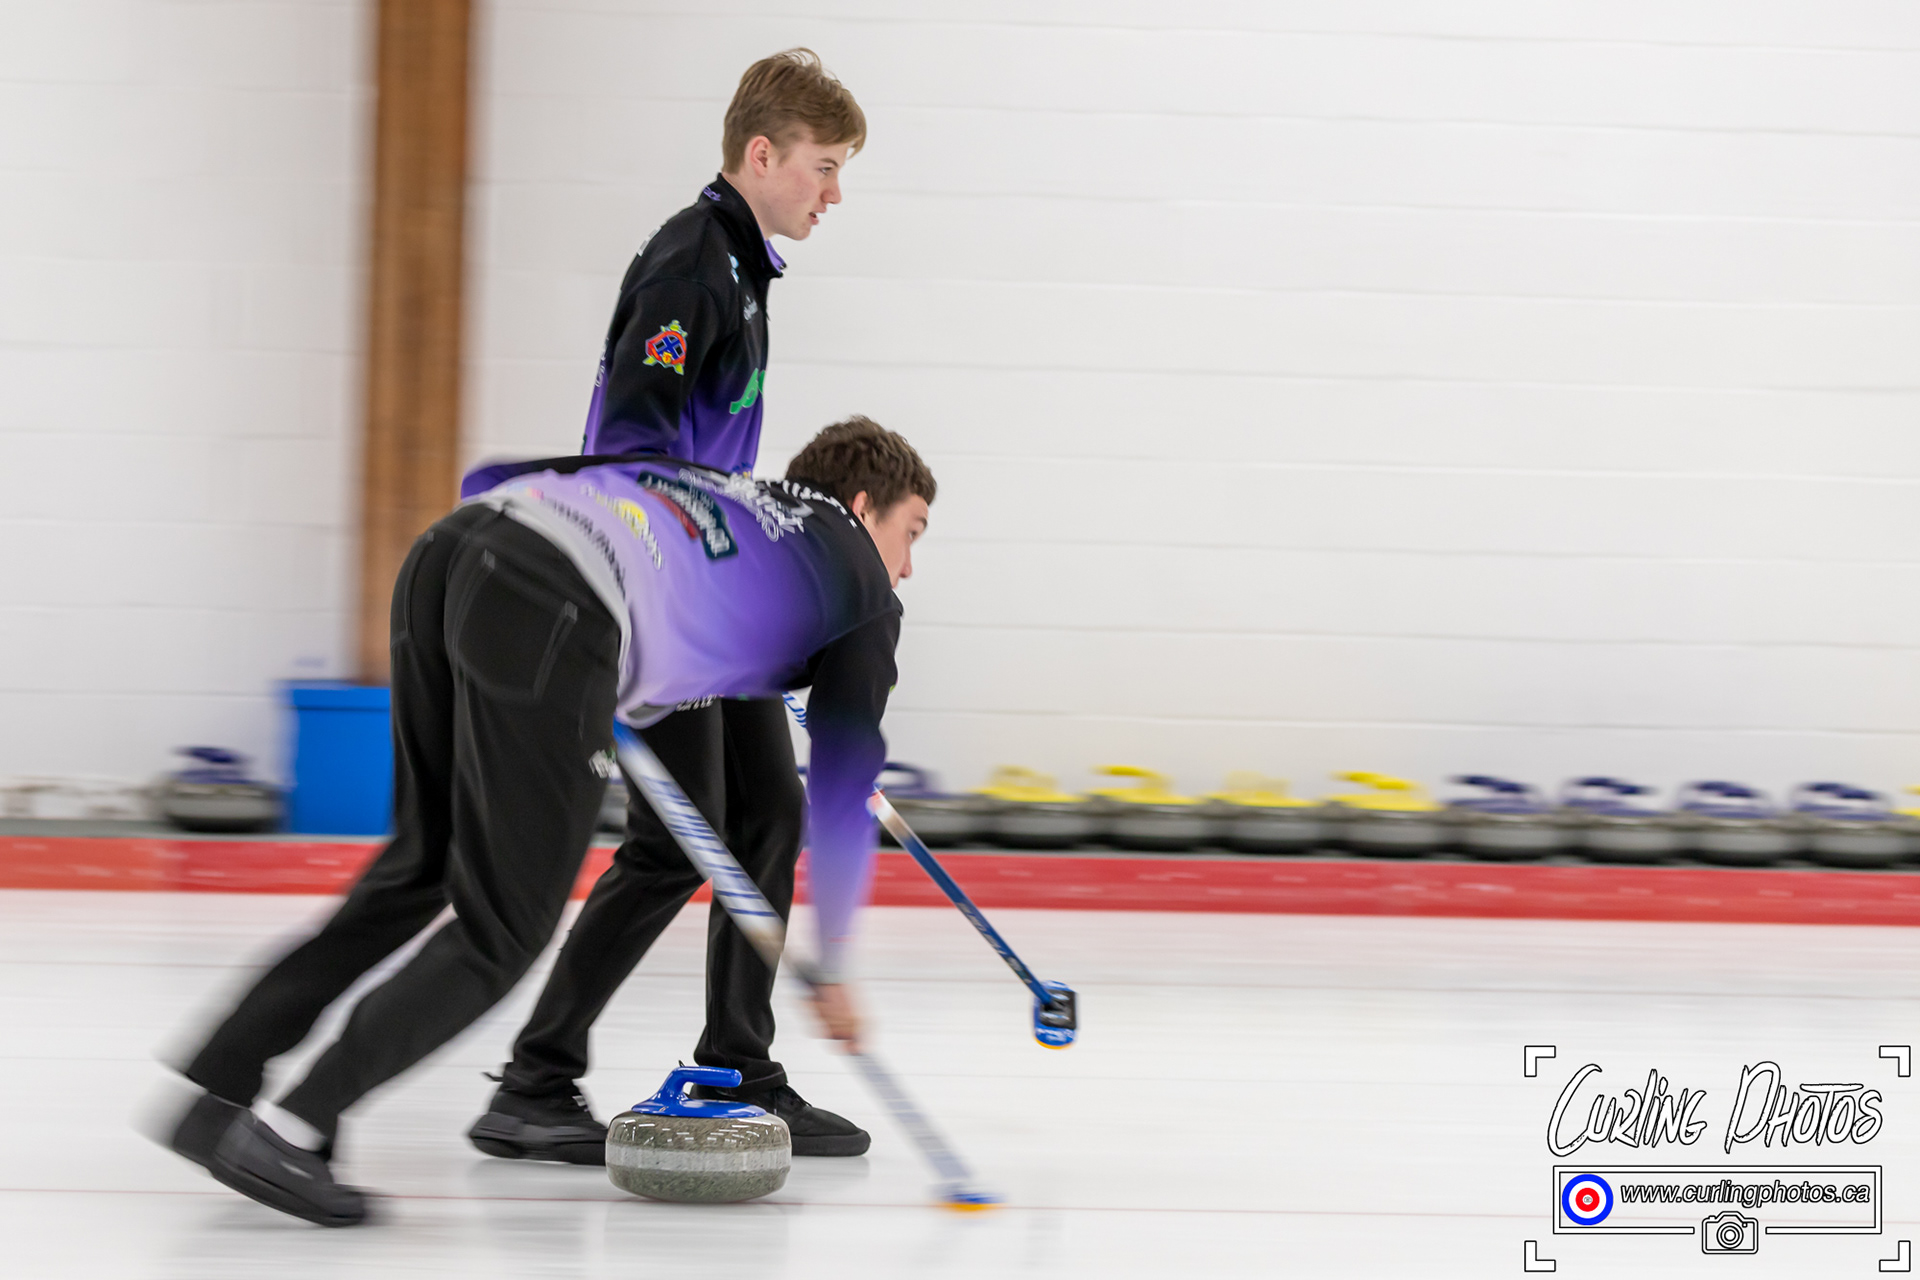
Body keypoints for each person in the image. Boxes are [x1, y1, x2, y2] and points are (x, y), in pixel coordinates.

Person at [161, 418, 934, 1226]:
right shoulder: (862, 588)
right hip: (556, 596)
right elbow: (841, 792)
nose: (909, 566)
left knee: (423, 865)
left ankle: (216, 1089)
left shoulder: (738, 500)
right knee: (504, 927)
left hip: (455, 548)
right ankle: (292, 1129)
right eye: (911, 533)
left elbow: (564, 492)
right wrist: (834, 963)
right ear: (862, 506)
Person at [465, 48, 874, 1162]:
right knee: (673, 841)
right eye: (825, 167)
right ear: (763, 154)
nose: (835, 193)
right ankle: (535, 1081)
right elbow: (634, 455)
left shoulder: (742, 266)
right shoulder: (690, 265)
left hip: (713, 593)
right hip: (659, 595)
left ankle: (740, 1064)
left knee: (767, 814)